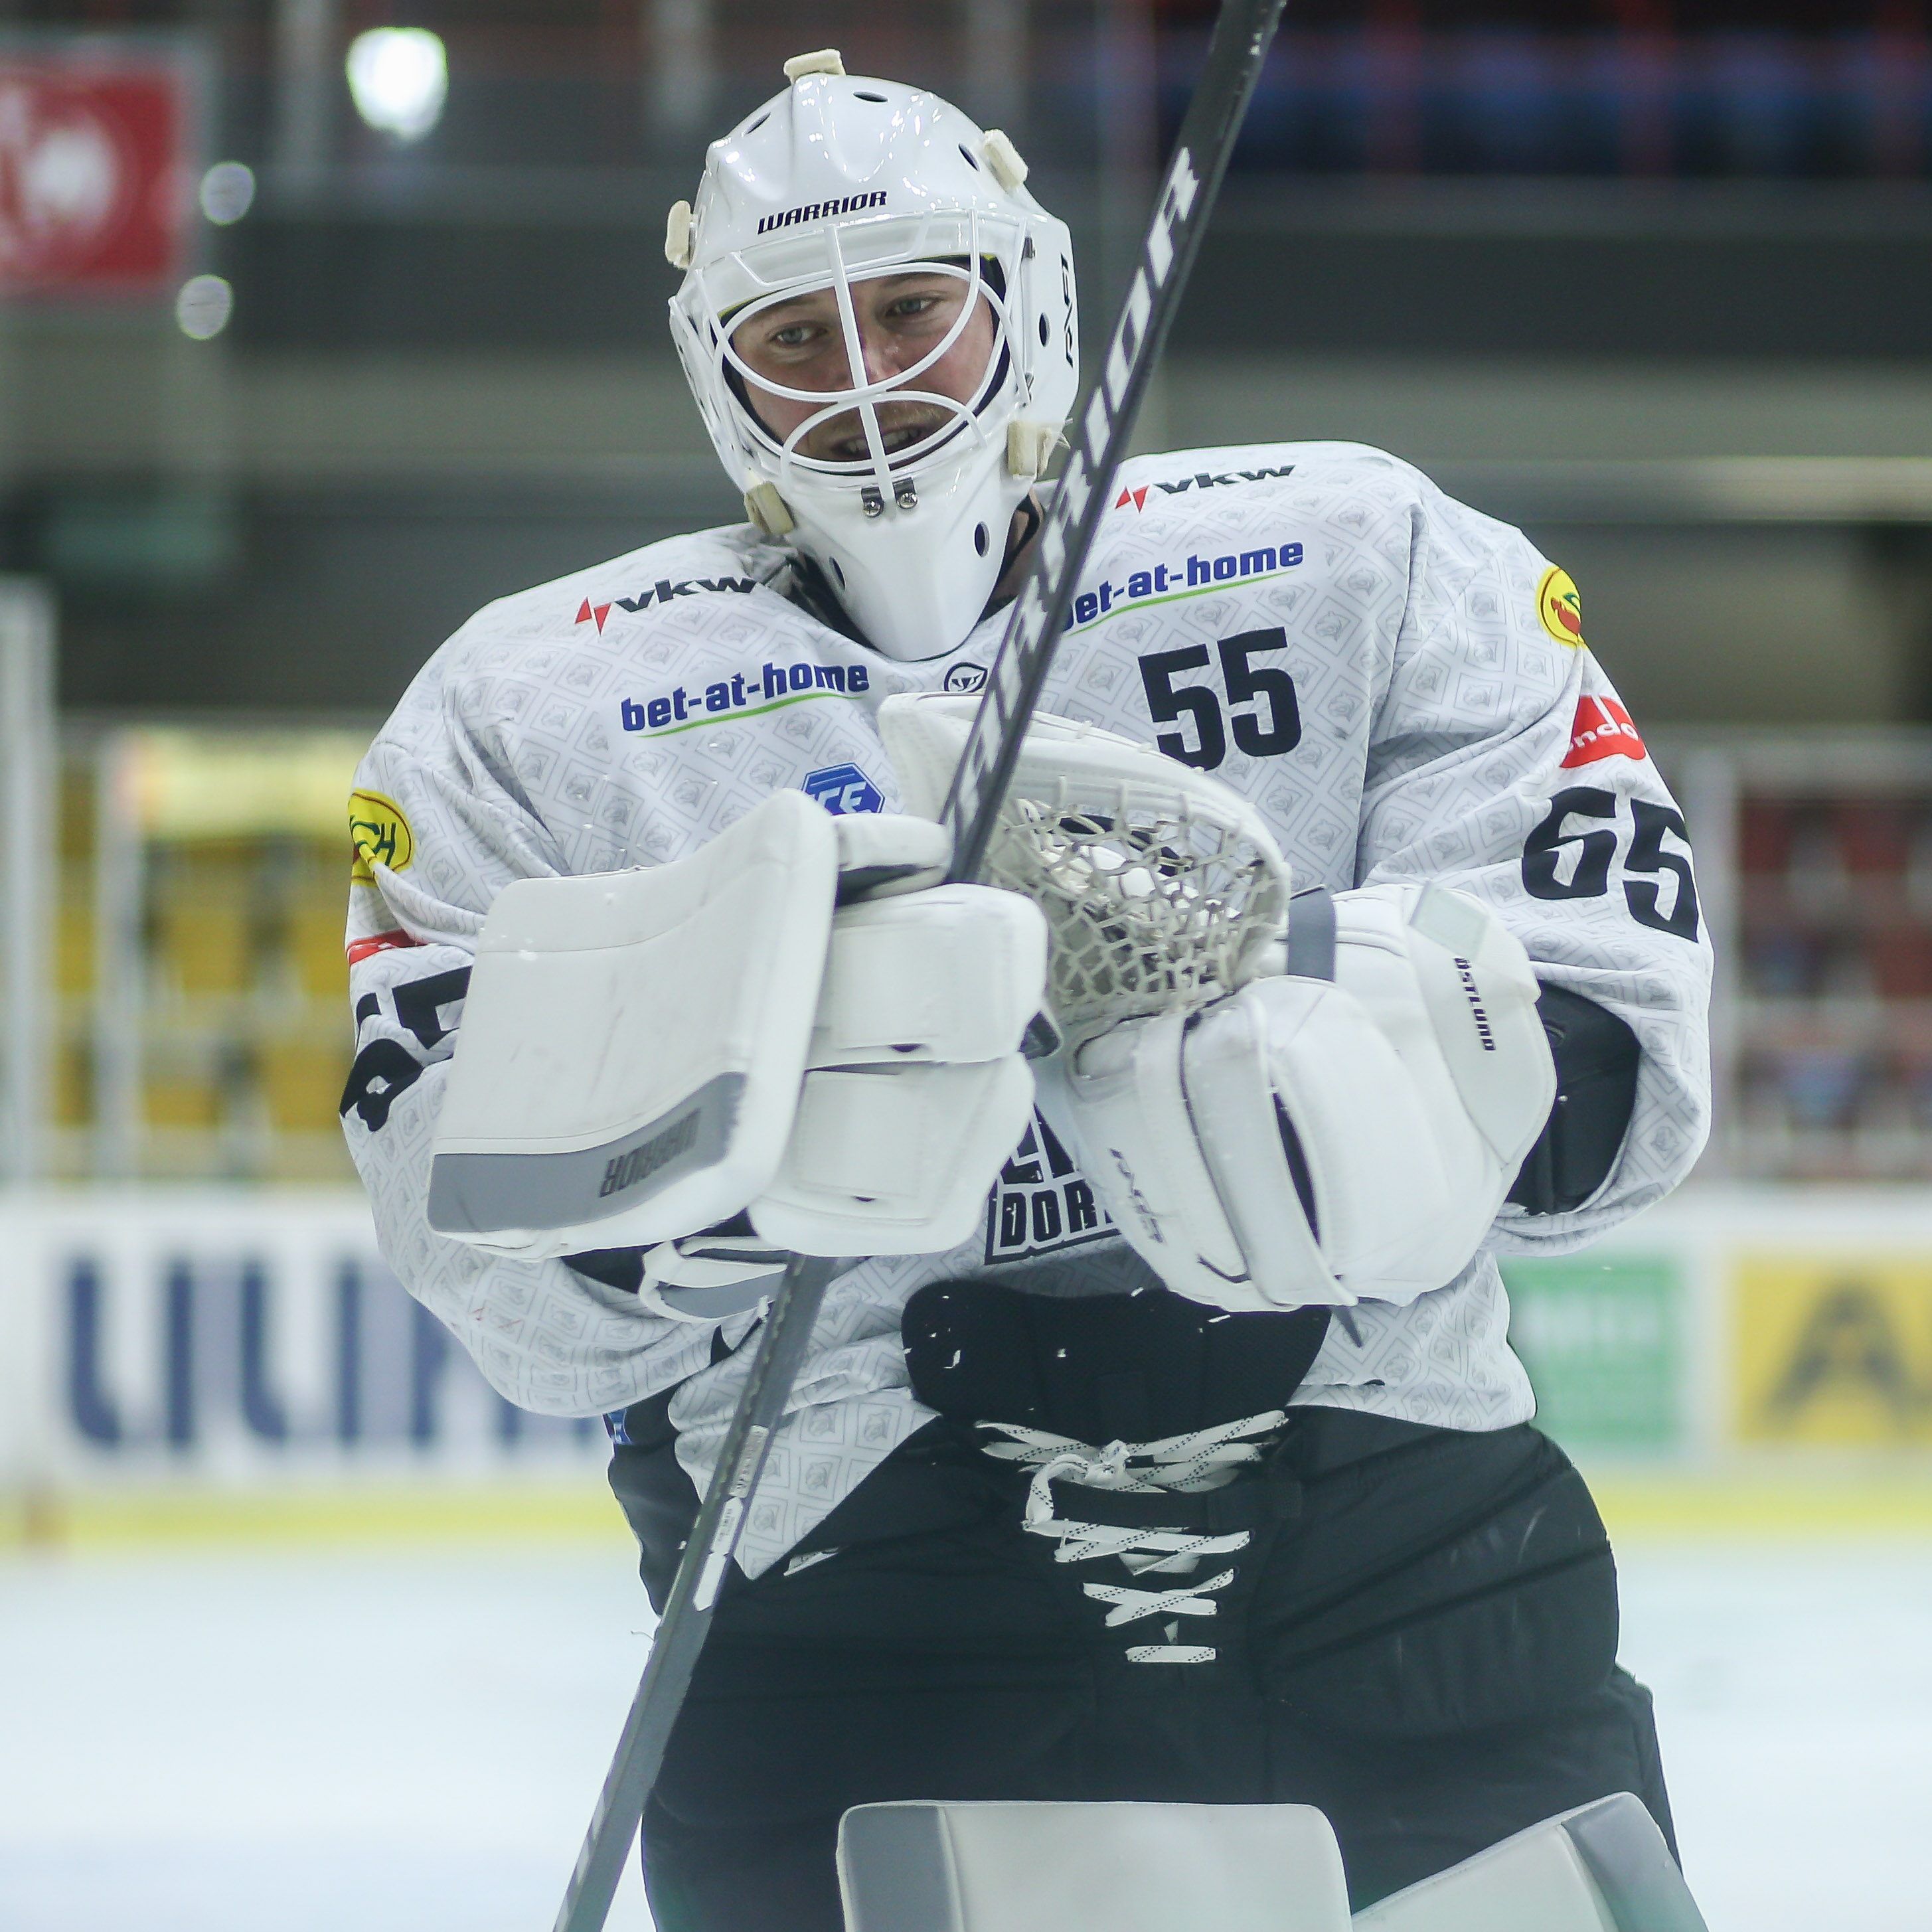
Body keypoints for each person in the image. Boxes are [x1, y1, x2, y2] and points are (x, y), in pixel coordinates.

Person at [341, 52, 1712, 1932]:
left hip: (1408, 1549)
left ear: (1031, 299)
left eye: (911, 307)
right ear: (713, 375)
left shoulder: (1362, 552)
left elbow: (1608, 998)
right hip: (856, 1589)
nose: (870, 379)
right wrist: (733, 1138)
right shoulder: (523, 718)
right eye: (798, 340)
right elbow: (467, 1220)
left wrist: (1424, 1078)